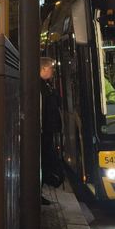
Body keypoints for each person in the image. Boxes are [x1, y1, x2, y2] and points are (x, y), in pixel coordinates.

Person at [40, 57, 63, 204]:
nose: (53, 71)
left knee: (46, 161)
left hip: (47, 131)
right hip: (44, 132)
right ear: (43, 69)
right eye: (51, 68)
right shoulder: (40, 86)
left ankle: (41, 190)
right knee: (44, 161)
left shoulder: (46, 85)